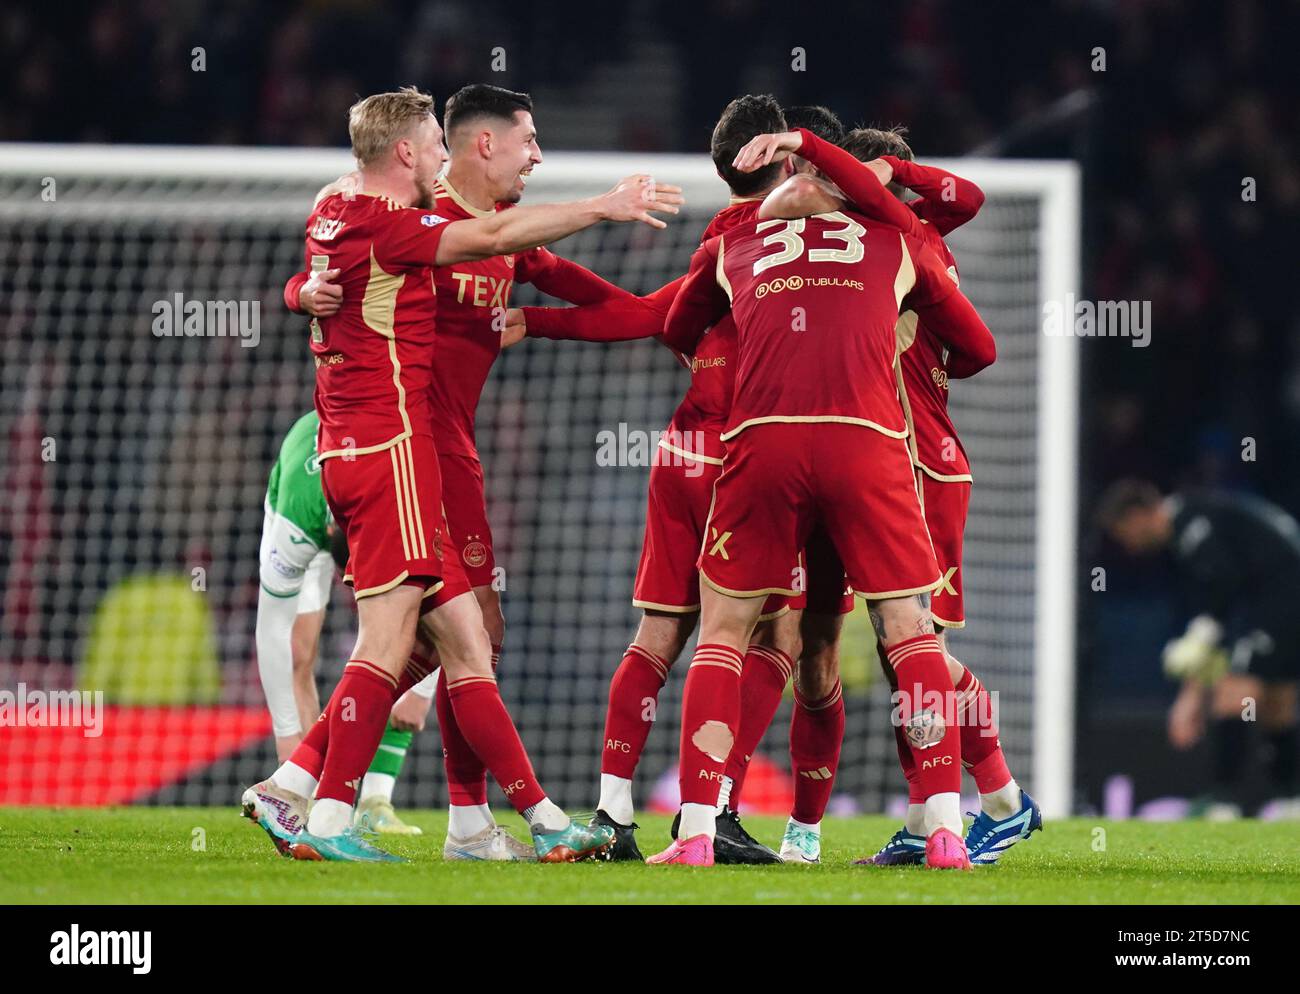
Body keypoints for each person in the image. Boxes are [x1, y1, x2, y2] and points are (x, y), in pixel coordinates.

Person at [240, 85, 683, 862]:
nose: (539, 154)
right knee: (443, 637)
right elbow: (328, 262)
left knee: (455, 634)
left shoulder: (497, 238)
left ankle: (307, 785)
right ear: (481, 146)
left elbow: (636, 314)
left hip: (431, 454)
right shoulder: (412, 217)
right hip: (399, 448)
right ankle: (471, 821)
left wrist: (717, 293)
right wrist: (297, 292)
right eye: (530, 139)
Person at [1098, 480, 1300, 816]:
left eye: (1124, 533)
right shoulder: (1203, 514)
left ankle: (1225, 801)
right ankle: (1292, 799)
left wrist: (1190, 692)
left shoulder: (1193, 527)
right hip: (1283, 602)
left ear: (1137, 516)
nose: (1129, 546)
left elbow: (1220, 598)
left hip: (1281, 602)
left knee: (1233, 694)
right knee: (1277, 703)